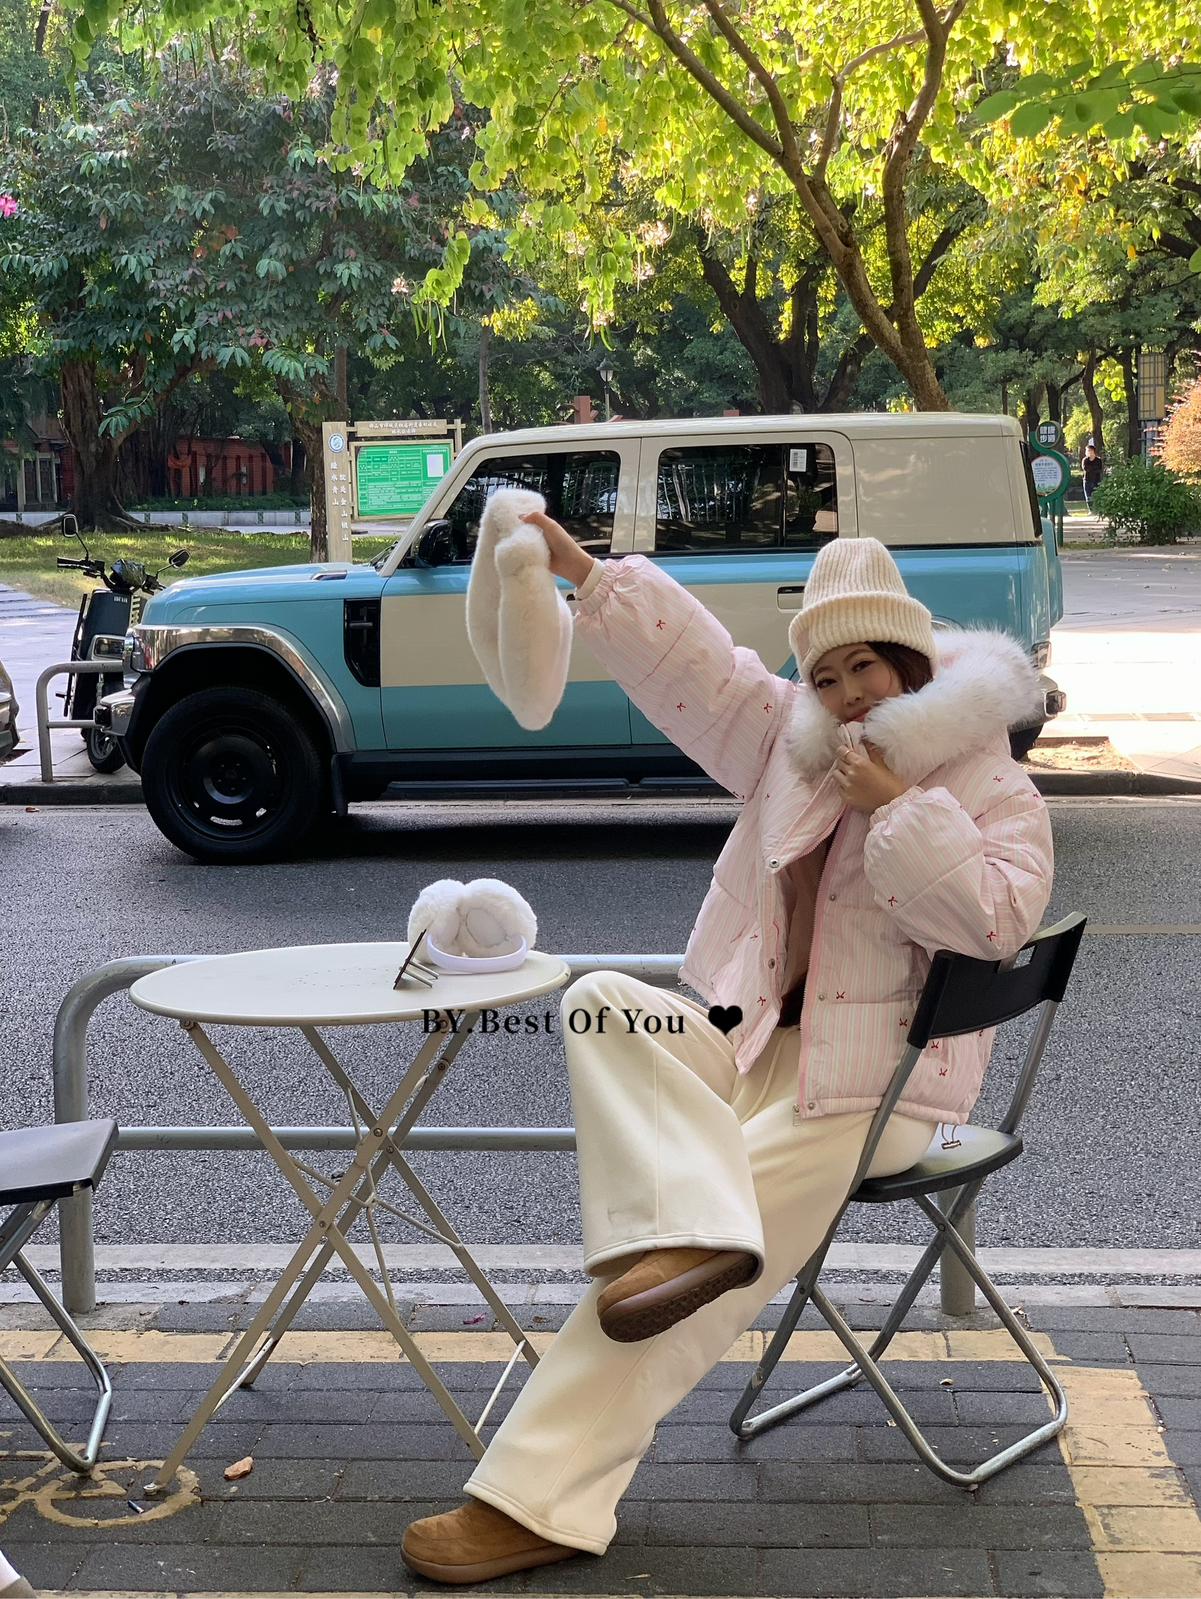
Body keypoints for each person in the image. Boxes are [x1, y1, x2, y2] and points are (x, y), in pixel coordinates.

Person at [401, 529, 1055, 1585]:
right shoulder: (790, 746)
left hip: (872, 1092)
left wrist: (896, 806)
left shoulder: (988, 781)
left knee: (690, 1269)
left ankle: (536, 1500)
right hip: (750, 1040)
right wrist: (580, 569)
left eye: (865, 666)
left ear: (912, 663)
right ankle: (685, 1233)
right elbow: (699, 669)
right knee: (605, 1004)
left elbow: (992, 925)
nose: (844, 693)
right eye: (826, 674)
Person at [1082, 443, 1103, 510]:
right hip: (1087, 480)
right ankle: (1090, 510)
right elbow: (1085, 468)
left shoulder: (1098, 460)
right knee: (1088, 497)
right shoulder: (1085, 460)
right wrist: (1093, 469)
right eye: (1087, 451)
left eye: (1089, 450)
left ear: (1093, 451)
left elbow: (1099, 469)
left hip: (1096, 481)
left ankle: (1096, 510)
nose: (1088, 452)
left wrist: (1092, 469)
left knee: (1096, 496)